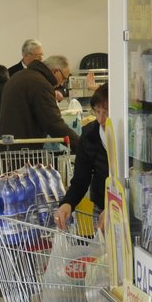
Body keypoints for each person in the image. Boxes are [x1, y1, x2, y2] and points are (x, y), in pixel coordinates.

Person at [54, 83, 110, 229]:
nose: (100, 119)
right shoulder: (89, 135)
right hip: (101, 207)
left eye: (106, 113)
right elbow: (80, 179)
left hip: (129, 209)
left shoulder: (127, 136)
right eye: (97, 112)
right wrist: (67, 203)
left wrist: (114, 207)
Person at [0, 53, 73, 141]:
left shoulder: (19, 75)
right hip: (23, 148)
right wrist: (81, 146)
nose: (62, 83)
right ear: (55, 71)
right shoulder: (41, 84)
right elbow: (53, 123)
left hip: (8, 144)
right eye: (64, 78)